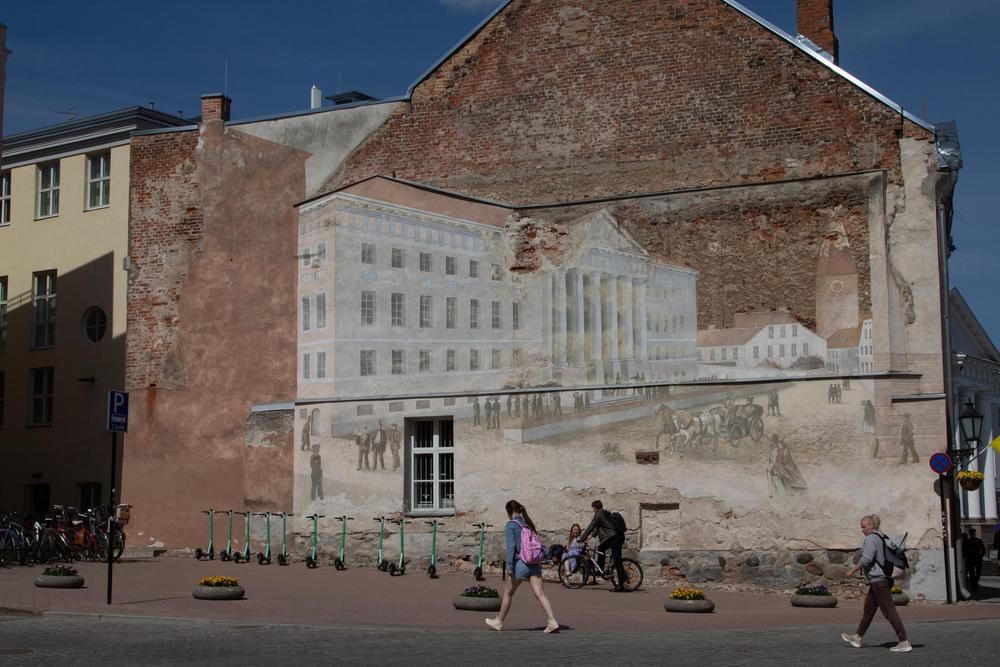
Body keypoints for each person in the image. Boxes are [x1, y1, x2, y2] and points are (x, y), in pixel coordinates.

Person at [485, 500, 559, 633]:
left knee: (508, 593)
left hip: (520, 565)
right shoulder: (528, 524)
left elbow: (511, 547)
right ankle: (552, 620)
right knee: (540, 594)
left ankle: (499, 622)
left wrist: (509, 567)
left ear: (509, 512)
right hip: (534, 564)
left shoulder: (511, 525)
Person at [842, 514, 911, 653]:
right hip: (880, 580)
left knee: (889, 611)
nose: (862, 530)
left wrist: (853, 570)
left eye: (864, 527)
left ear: (872, 525)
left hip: (879, 580)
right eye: (861, 527)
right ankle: (858, 637)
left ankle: (904, 641)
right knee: (869, 610)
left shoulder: (871, 538)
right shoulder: (881, 536)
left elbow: (867, 558)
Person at [580, 500, 628, 591]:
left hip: (615, 538)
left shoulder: (599, 514)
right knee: (601, 548)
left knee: (617, 561)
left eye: (593, 508)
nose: (593, 510)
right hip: (616, 537)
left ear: (595, 507)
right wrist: (591, 536)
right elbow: (598, 528)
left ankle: (621, 586)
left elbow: (592, 525)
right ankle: (600, 569)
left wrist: (582, 538)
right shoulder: (605, 513)